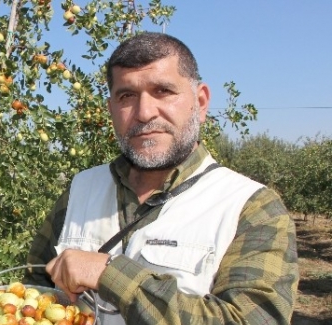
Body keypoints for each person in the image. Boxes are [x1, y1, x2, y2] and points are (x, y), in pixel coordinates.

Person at [23, 32, 299, 324]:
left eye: (163, 91)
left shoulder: (251, 208)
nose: (144, 113)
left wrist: (109, 274)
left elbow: (252, 319)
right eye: (127, 96)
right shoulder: (81, 189)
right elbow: (33, 290)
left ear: (201, 102)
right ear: (111, 109)